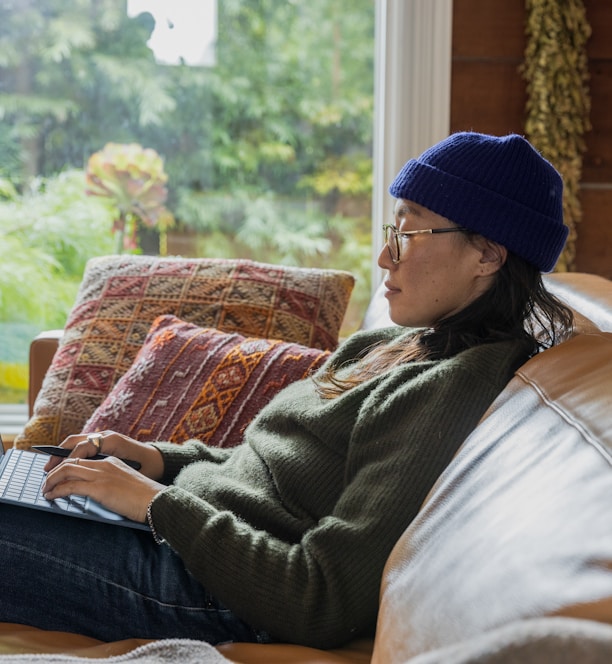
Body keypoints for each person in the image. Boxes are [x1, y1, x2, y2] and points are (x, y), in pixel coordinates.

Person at [0, 132, 573, 649]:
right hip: (185, 535)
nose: (383, 256)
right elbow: (268, 475)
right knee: (21, 473)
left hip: (213, 589)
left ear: (488, 255)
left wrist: (154, 504)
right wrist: (156, 461)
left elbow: (321, 600)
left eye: (410, 232)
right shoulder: (392, 346)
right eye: (389, 232)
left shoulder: (455, 386)